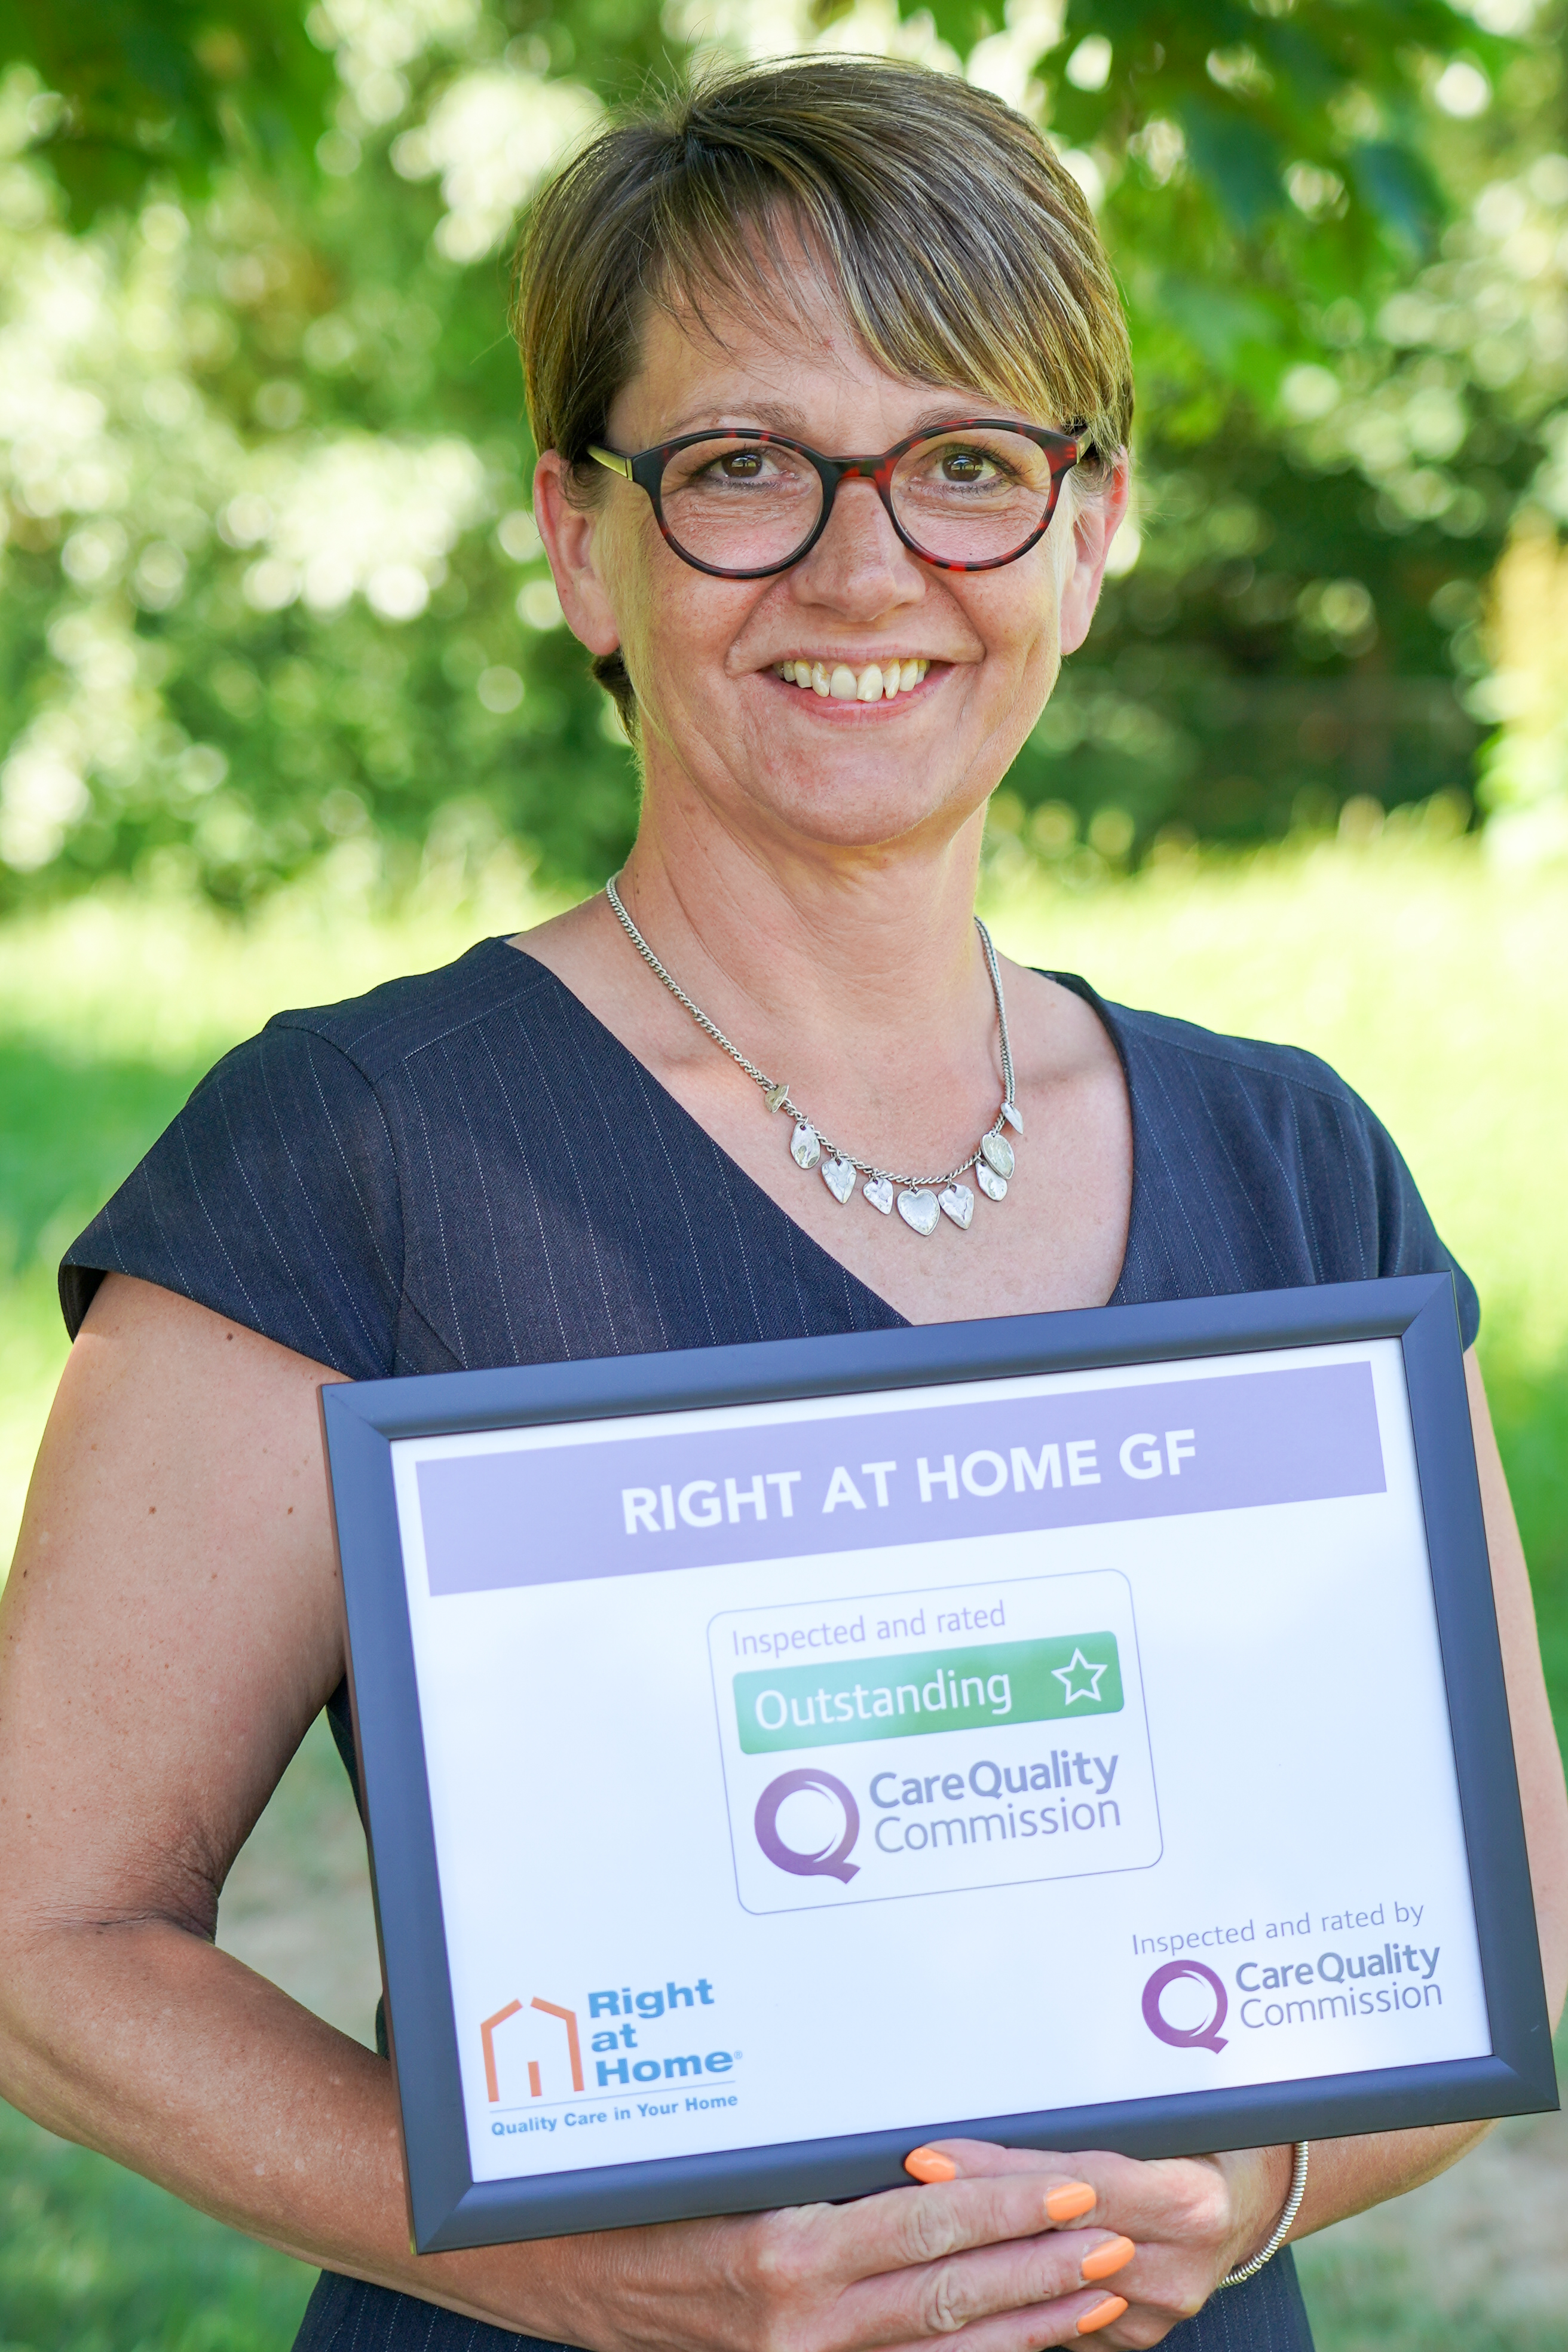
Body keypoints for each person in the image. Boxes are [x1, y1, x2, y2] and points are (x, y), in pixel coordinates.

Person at [0, 53, 1563, 2352]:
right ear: (578, 538)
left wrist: (1251, 2186)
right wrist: (582, 2275)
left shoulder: (1292, 1159)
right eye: (744, 467)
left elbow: (1499, 1903)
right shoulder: (354, 1153)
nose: (865, 568)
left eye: (967, 466)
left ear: (1090, 530)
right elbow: (47, 1941)